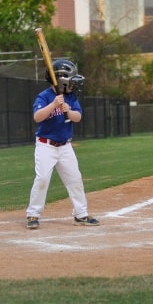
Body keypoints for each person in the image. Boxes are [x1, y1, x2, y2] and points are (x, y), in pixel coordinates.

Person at [26, 59, 99, 229]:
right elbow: (37, 117)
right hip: (46, 145)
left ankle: (81, 214)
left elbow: (78, 117)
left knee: (75, 179)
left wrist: (68, 109)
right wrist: (53, 105)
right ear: (61, 80)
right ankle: (33, 214)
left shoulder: (71, 97)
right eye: (70, 80)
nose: (73, 84)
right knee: (42, 178)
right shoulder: (44, 97)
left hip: (65, 146)